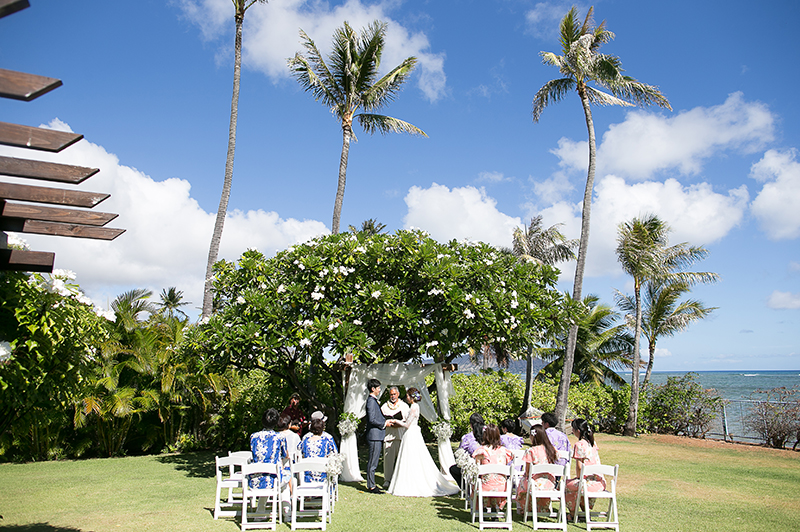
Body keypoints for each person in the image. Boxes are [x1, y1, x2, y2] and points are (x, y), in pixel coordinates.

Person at [387, 387, 459, 497]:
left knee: (411, 457)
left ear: (411, 397)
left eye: (407, 396)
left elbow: (407, 425)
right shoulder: (415, 406)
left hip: (411, 434)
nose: (406, 398)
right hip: (413, 433)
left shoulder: (414, 407)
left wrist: (395, 420)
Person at [564, 418, 605, 518]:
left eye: (573, 429)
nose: (572, 431)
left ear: (578, 431)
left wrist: (578, 477)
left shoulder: (579, 445)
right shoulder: (592, 443)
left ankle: (573, 513)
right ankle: (584, 510)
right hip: (600, 482)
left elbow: (579, 468)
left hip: (588, 483)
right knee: (575, 485)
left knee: (566, 485)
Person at [515, 424, 558, 514]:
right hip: (549, 483)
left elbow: (528, 472)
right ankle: (541, 508)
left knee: (523, 483)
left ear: (533, 436)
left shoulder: (531, 451)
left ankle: (527, 509)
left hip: (535, 483)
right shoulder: (552, 450)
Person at [472, 424, 514, 510]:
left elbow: (477, 470)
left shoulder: (481, 451)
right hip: (502, 487)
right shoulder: (504, 451)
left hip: (485, 487)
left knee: (476, 482)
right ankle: (495, 506)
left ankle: (482, 506)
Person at [250, 408, 289, 490]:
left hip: (255, 479)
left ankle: (262, 500)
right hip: (273, 480)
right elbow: (285, 455)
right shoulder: (280, 437)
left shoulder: (254, 437)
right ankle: (286, 498)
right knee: (288, 474)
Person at [381, 385, 410, 488]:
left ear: (398, 394)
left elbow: (408, 420)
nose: (393, 396)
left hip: (400, 435)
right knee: (388, 460)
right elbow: (381, 420)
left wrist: (399, 423)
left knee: (401, 460)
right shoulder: (384, 406)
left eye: (394, 394)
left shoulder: (404, 406)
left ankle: (401, 480)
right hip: (388, 436)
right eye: (391, 394)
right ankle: (387, 480)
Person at [365, 378, 388, 493]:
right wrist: (384, 423)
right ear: (373, 389)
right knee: (373, 462)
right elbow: (372, 419)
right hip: (374, 435)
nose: (379, 390)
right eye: (378, 388)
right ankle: (371, 485)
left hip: (377, 435)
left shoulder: (374, 401)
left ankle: (372, 484)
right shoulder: (371, 401)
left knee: (374, 461)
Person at [449, 412, 485, 485]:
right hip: (490, 465)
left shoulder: (467, 438)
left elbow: (461, 452)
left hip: (474, 467)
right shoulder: (491, 433)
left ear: (471, 425)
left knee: (453, 469)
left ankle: (467, 488)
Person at [299, 417, 338, 483]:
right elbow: (335, 454)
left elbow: (299, 454)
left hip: (307, 477)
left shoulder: (304, 441)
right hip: (323, 477)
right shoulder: (327, 441)